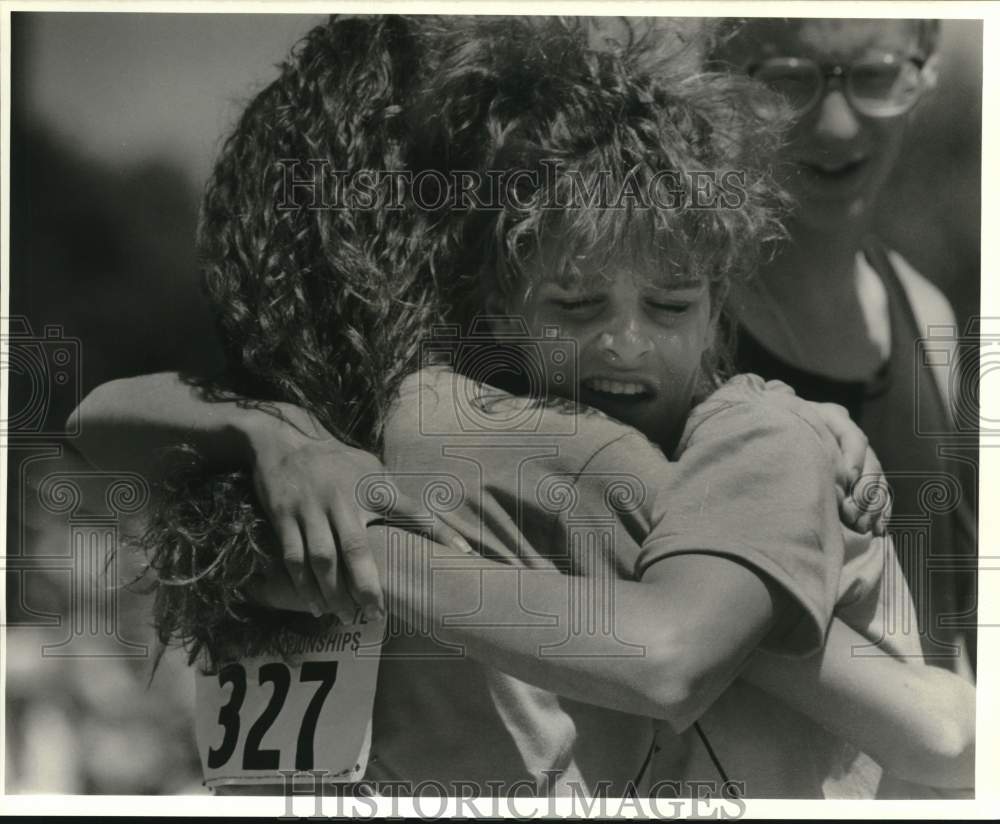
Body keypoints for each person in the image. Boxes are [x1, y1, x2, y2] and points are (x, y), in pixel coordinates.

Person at [69, 16, 973, 798]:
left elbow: (687, 660)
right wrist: (268, 435)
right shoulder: (379, 442)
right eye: (576, 304)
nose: (624, 341)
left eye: (669, 303)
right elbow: (93, 424)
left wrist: (347, 548)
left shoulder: (734, 439)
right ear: (493, 292)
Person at [712, 18, 978, 677]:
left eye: (874, 76)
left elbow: (958, 624)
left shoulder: (927, 312)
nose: (834, 126)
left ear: (924, 74)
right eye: (786, 80)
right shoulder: (684, 321)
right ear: (721, 81)